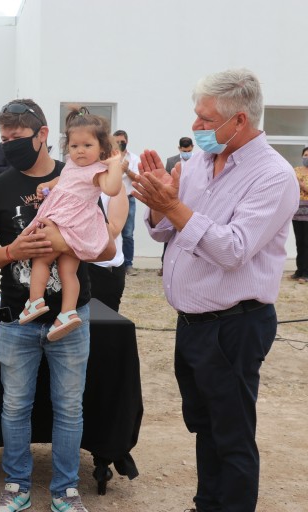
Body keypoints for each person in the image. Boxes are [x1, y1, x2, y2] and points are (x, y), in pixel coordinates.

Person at [133, 68, 299, 512]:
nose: (196, 126)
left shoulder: (272, 176)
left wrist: (174, 207)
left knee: (232, 434)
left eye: (206, 119)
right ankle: (207, 504)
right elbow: (165, 231)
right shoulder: (200, 163)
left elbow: (232, 249)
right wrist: (159, 205)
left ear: (239, 120)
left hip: (234, 325)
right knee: (204, 425)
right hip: (193, 323)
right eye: (196, 115)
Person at [0, 99, 116, 512]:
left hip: (71, 317)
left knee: (69, 409)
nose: (9, 145)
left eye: (16, 137)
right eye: (4, 139)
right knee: (14, 407)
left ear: (43, 135)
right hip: (17, 319)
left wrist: (64, 241)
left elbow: (106, 247)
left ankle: (66, 490)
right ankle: (16, 486)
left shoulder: (81, 174)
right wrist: (12, 251)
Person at [18, 105, 122, 341]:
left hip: (68, 222)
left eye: (87, 145)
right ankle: (67, 313)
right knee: (68, 270)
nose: (80, 151)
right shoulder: (72, 165)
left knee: (41, 260)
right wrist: (48, 186)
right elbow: (63, 179)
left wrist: (115, 164)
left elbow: (112, 189)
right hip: (70, 223)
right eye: (74, 146)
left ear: (102, 147)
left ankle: (35, 301)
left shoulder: (98, 171)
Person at [88, 186, 129, 312]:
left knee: (102, 320)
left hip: (103, 268)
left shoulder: (115, 186)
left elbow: (114, 230)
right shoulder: (68, 180)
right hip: (72, 264)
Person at [158, 137, 194, 276]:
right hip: (174, 200)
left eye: (189, 151)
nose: (187, 153)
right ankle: (165, 264)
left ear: (192, 147)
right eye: (184, 151)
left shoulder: (200, 160)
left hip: (191, 201)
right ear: (179, 148)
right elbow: (166, 181)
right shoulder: (171, 161)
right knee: (170, 231)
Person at [113, 129, 140, 276]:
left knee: (128, 234)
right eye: (116, 142)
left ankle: (128, 264)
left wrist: (127, 170)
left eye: (121, 142)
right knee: (111, 231)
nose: (119, 144)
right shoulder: (108, 157)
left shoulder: (134, 158)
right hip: (111, 199)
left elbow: (138, 178)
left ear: (127, 141)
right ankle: (114, 263)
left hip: (128, 199)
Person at [291, 146, 308, 283]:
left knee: (307, 243)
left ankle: (306, 273)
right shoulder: (295, 170)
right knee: (299, 242)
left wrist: (302, 185)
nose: (307, 157)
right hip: (297, 212)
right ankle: (299, 271)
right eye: (306, 155)